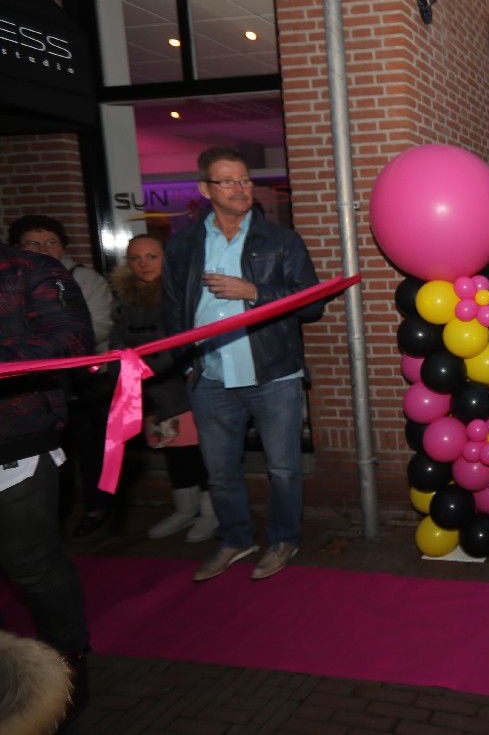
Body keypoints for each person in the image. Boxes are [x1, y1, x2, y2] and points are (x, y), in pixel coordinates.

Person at [163, 147, 324, 583]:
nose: (240, 188)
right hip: (210, 376)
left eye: (245, 180)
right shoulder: (183, 245)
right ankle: (235, 538)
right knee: (220, 473)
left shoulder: (282, 241)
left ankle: (283, 538)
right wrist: (187, 367)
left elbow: (311, 305)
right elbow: (174, 310)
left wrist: (253, 291)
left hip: (273, 374)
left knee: (283, 469)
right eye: (228, 181)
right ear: (205, 189)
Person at [0, 240, 94, 728]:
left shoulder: (27, 269)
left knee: (33, 565)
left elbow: (71, 338)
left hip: (14, 438)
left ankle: (66, 670)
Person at [8, 214, 116, 537]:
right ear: (17, 247)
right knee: (55, 455)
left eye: (51, 242)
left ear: (63, 246)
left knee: (91, 448)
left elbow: (96, 327)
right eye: (33, 243)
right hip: (32, 385)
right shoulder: (13, 277)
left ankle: (97, 507)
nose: (43, 249)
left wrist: (37, 345)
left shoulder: (84, 278)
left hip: (83, 379)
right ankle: (58, 512)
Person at [110, 234, 218, 542]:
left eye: (151, 257)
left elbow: (188, 339)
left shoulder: (181, 292)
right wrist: (122, 369)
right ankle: (185, 508)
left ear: (166, 259)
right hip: (147, 391)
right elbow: (118, 340)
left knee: (198, 451)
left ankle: (211, 512)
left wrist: (146, 368)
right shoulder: (123, 297)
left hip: (183, 386)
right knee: (172, 451)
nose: (143, 264)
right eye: (135, 258)